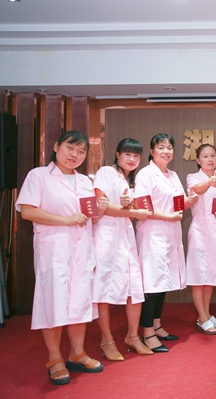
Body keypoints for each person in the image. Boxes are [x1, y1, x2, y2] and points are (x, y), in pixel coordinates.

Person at [16, 130, 104, 385]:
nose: (75, 155)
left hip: (81, 250)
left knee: (79, 303)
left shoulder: (85, 181)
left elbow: (89, 217)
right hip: (54, 250)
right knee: (53, 302)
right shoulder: (39, 175)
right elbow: (28, 211)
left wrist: (100, 209)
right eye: (70, 148)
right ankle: (54, 359)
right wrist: (65, 220)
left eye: (81, 151)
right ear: (56, 147)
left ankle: (77, 353)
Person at [135, 133, 198, 352]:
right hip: (152, 235)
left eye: (169, 147)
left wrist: (190, 201)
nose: (166, 151)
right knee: (152, 284)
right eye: (161, 147)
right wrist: (168, 217)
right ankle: (147, 333)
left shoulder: (173, 175)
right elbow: (142, 207)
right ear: (152, 151)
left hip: (170, 235)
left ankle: (157, 325)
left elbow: (178, 205)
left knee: (163, 282)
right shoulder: (145, 174)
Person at [92, 138, 154, 360]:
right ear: (117, 155)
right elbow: (103, 205)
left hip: (126, 238)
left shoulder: (132, 182)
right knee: (103, 289)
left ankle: (133, 336)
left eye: (136, 156)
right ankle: (107, 340)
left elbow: (131, 212)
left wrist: (131, 210)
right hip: (106, 237)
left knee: (134, 288)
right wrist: (133, 212)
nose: (132, 159)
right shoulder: (106, 173)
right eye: (127, 154)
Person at [186, 144, 216, 334]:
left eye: (213, 155)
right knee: (199, 276)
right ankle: (202, 317)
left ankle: (206, 313)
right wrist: (209, 183)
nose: (210, 159)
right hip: (201, 232)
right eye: (205, 156)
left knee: (211, 275)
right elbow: (196, 189)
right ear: (198, 160)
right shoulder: (193, 177)